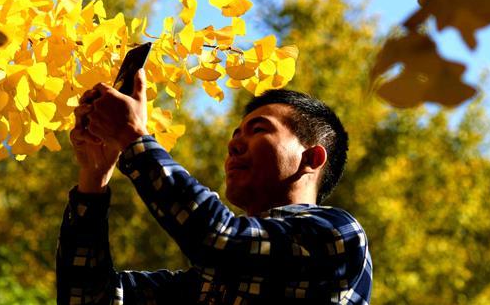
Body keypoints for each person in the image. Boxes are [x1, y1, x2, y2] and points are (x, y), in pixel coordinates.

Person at [56, 68, 372, 304]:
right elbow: (90, 299)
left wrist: (132, 138)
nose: (234, 146)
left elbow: (218, 238)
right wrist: (93, 179)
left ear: (312, 158)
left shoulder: (338, 236)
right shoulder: (204, 286)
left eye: (258, 130)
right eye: (235, 135)